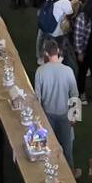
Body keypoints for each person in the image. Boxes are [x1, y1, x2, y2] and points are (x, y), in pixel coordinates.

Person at [34, 39, 80, 173]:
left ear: (46, 53)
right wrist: (74, 116)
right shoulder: (68, 71)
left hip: (47, 114)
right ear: (58, 52)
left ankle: (49, 171)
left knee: (48, 145)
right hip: (65, 115)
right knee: (67, 149)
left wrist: (39, 119)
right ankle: (70, 174)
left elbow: (37, 97)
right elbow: (74, 94)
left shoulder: (40, 71)